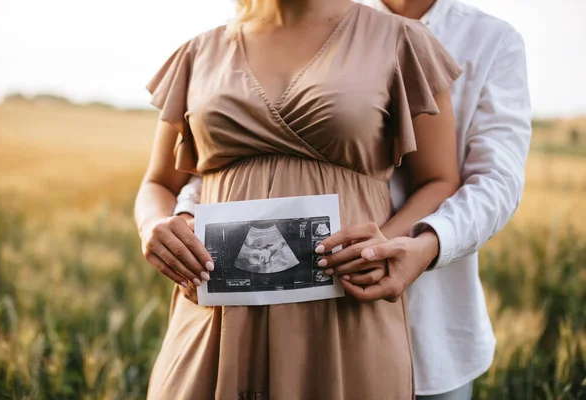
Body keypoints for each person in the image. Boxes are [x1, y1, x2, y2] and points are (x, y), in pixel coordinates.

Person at [173, 0, 532, 398]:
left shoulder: (489, 40)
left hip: (417, 313)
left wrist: (424, 244)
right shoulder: (306, 16)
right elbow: (226, 166)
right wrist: (183, 216)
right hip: (248, 308)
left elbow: (494, 182)